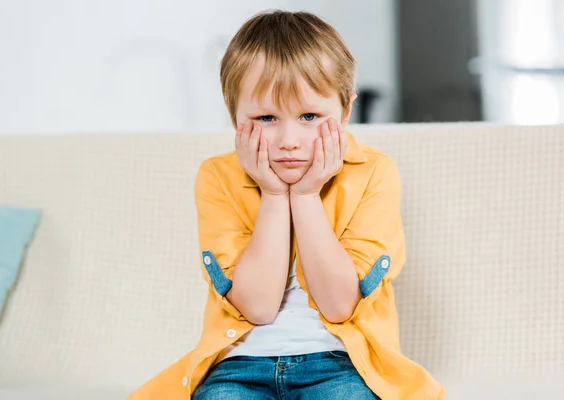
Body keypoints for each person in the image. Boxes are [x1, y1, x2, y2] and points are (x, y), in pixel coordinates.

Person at [130, 9, 445, 400]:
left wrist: (308, 195)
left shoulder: (374, 172)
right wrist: (275, 194)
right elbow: (258, 307)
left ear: (345, 112)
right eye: (265, 117)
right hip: (239, 367)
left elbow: (339, 306)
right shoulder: (217, 177)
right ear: (235, 117)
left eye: (310, 116)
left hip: (341, 363)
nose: (289, 140)